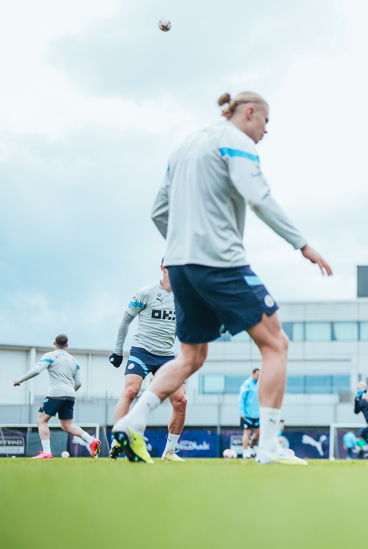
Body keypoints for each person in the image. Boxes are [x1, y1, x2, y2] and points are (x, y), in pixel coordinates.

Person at [113, 91, 331, 465]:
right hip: (220, 262)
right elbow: (259, 196)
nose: (265, 131)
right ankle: (269, 447)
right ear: (249, 112)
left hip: (180, 265)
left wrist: (184, 245)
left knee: (191, 357)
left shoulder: (183, 146)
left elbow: (157, 212)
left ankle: (133, 420)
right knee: (276, 344)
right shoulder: (236, 142)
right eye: (265, 122)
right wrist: (302, 244)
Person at [108, 260, 187, 462]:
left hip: (167, 357)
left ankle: (169, 452)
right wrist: (118, 351)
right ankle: (118, 440)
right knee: (130, 392)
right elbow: (126, 320)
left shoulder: (184, 296)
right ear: (163, 268)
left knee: (181, 401)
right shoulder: (146, 292)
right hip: (142, 351)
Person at [13, 335, 99, 459]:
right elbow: (79, 383)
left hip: (56, 394)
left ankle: (47, 452)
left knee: (41, 421)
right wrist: (69, 391)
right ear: (67, 345)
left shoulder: (50, 356)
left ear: (54, 343)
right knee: (67, 426)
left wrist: (19, 379)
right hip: (70, 395)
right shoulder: (74, 360)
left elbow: (37, 370)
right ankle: (92, 441)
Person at [239, 369, 260, 459]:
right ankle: (245, 452)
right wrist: (241, 412)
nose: (258, 377)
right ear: (253, 374)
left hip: (257, 414)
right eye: (257, 375)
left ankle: (251, 449)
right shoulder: (247, 383)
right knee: (247, 432)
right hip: (247, 414)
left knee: (258, 433)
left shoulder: (260, 385)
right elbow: (241, 398)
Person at [353, 381, 368, 455]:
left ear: (365, 387)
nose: (358, 387)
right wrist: (356, 402)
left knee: (363, 432)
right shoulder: (358, 398)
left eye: (360, 386)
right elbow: (356, 411)